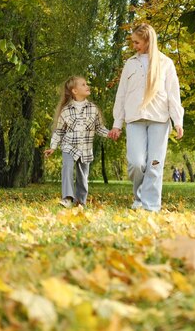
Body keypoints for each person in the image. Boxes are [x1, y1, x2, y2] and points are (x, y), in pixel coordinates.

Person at [108, 23, 184, 212]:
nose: (134, 46)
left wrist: (178, 121)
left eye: (137, 42)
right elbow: (122, 95)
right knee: (136, 163)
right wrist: (117, 123)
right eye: (133, 42)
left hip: (159, 118)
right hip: (134, 119)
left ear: (148, 41)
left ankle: (151, 207)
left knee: (154, 164)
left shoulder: (166, 63)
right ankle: (139, 197)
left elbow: (173, 94)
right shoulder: (130, 63)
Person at [44, 76, 109, 208]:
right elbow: (59, 131)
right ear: (74, 90)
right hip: (69, 146)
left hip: (85, 148)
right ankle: (67, 198)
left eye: (86, 84)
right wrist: (53, 147)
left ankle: (80, 201)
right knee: (67, 168)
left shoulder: (93, 109)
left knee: (83, 176)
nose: (87, 86)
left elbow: (99, 128)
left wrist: (110, 134)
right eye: (83, 85)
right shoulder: (66, 111)